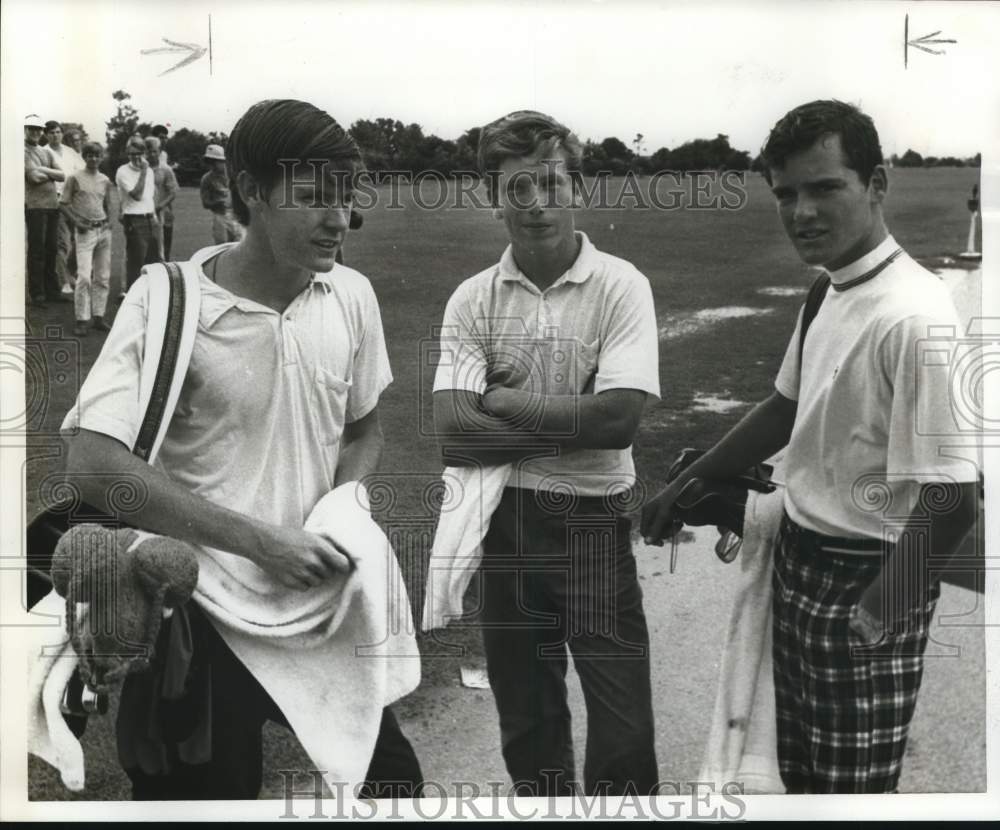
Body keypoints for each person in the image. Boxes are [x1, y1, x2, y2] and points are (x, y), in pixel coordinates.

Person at [62, 98, 423, 800]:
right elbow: (93, 463)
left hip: (322, 595)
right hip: (199, 609)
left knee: (393, 787)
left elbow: (362, 429)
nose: (338, 219)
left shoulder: (352, 294)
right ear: (252, 193)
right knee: (204, 799)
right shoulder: (166, 298)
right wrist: (261, 543)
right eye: (314, 199)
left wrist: (338, 515)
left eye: (346, 199)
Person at [641, 99, 979, 794]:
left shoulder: (913, 318)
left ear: (877, 183)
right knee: (790, 779)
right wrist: (688, 482)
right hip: (796, 562)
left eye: (826, 188)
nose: (802, 212)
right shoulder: (828, 292)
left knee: (853, 794)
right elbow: (785, 407)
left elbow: (954, 498)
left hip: (868, 575)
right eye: (787, 194)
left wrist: (877, 616)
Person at [432, 110, 661, 796]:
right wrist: (572, 415)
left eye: (551, 184)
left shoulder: (621, 284)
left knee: (623, 729)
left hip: (592, 520)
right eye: (517, 188)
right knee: (528, 723)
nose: (536, 204)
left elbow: (619, 419)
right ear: (492, 196)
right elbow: (453, 432)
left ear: (577, 187)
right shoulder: (472, 299)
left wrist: (503, 404)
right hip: (505, 522)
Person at [60, 141, 113, 337]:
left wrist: (109, 224)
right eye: (89, 155)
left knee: (102, 276)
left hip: (103, 231)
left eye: (96, 155)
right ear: (85, 156)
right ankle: (82, 320)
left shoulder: (105, 180)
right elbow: (63, 204)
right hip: (84, 232)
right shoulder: (74, 178)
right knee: (84, 277)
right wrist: (77, 222)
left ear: (101, 158)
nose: (93, 158)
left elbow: (108, 204)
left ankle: (98, 316)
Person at [24, 114, 67, 307]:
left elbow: (62, 175)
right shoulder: (22, 151)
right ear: (25, 129)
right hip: (35, 207)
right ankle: (38, 293)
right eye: (31, 128)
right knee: (37, 250)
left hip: (52, 206)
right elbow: (33, 178)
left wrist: (45, 170)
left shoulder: (46, 152)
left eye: (38, 129)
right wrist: (49, 173)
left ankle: (52, 291)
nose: (35, 132)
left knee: (52, 249)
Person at [116, 136, 161, 298]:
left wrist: (154, 215)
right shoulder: (123, 171)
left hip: (150, 219)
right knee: (136, 263)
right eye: (132, 153)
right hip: (134, 220)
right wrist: (142, 172)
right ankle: (132, 299)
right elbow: (136, 195)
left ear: (144, 153)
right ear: (127, 153)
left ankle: (150, 297)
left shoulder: (148, 171)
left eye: (139, 153)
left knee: (154, 261)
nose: (136, 157)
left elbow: (149, 196)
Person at [46, 120, 86, 296]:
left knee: (80, 239)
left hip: (75, 201)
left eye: (57, 132)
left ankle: (74, 274)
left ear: (62, 134)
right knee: (62, 243)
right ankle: (65, 282)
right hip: (56, 202)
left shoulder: (70, 152)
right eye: (51, 132)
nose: (55, 135)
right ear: (46, 135)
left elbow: (82, 172)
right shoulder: (44, 152)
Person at [200, 143, 243, 243]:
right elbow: (205, 203)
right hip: (219, 216)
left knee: (238, 245)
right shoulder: (206, 179)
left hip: (236, 216)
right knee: (222, 246)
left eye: (215, 162)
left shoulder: (234, 175)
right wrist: (218, 203)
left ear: (223, 161)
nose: (212, 165)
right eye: (210, 162)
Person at [145, 136, 179, 260]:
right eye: (148, 151)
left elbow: (173, 192)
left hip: (163, 215)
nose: (152, 154)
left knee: (163, 252)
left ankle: (164, 277)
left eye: (154, 151)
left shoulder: (166, 170)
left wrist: (160, 206)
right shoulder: (141, 169)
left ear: (159, 152)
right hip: (145, 216)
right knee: (147, 250)